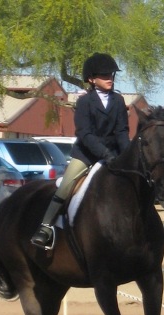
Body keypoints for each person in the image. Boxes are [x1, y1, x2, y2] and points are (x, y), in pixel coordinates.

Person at [31, 52, 130, 248]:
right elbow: (85, 134)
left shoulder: (118, 101)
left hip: (113, 155)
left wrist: (126, 155)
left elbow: (122, 131)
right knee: (65, 186)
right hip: (87, 155)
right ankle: (45, 227)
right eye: (104, 76)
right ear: (92, 79)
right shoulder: (84, 102)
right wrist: (105, 154)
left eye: (111, 75)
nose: (109, 78)